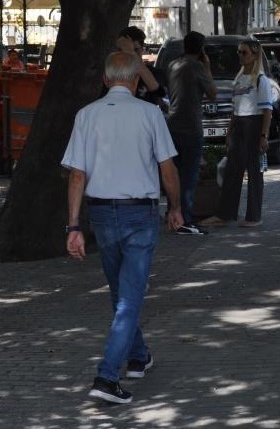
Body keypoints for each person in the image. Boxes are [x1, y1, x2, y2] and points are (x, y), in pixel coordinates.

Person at [62, 51, 183, 404]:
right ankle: (106, 376)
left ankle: (139, 355)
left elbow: (76, 174)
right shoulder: (149, 114)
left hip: (101, 214)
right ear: (134, 80)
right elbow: (168, 168)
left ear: (105, 79)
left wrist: (73, 225)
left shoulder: (86, 115)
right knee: (128, 298)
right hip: (139, 214)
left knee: (121, 294)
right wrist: (176, 208)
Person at [199, 40, 276, 228]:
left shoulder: (261, 80)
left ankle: (254, 216)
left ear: (254, 54)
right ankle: (225, 214)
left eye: (244, 52)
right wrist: (229, 131)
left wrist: (263, 136)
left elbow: (267, 111)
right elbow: (235, 109)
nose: (240, 56)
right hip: (239, 125)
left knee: (254, 171)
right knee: (232, 171)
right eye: (239, 52)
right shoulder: (239, 79)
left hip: (254, 124)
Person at [165, 31, 217, 234]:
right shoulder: (197, 67)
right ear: (201, 49)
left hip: (172, 124)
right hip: (191, 126)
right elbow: (213, 94)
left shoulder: (172, 65)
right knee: (189, 175)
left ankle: (171, 213)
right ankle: (184, 218)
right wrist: (208, 67)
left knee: (173, 172)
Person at [109, 26, 168, 112]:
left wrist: (131, 52)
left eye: (135, 50)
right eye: (125, 50)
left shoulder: (153, 73)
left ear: (142, 49)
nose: (130, 55)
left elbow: (159, 92)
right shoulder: (111, 73)